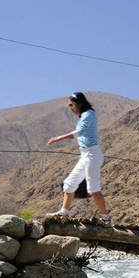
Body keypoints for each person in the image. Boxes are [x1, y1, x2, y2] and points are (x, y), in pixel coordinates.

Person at [47, 92, 110, 223]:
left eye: (72, 105)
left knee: (93, 188)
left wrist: (58, 138)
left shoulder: (89, 114)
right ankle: (63, 212)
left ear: (79, 103)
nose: (71, 108)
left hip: (92, 155)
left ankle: (105, 218)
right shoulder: (84, 116)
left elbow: (79, 132)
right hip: (86, 156)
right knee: (69, 184)